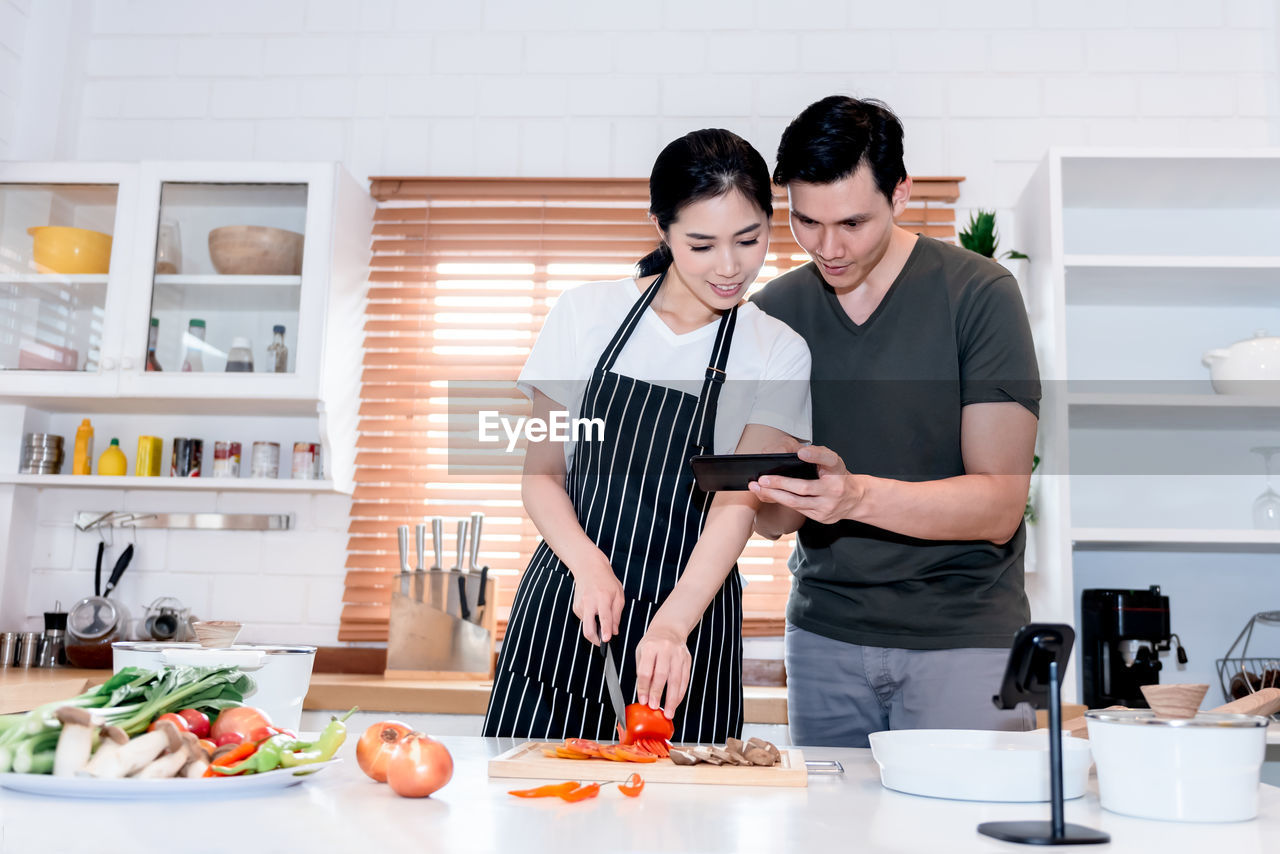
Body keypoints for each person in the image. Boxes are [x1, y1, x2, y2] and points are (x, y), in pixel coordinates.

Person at [483, 129, 813, 743]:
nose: (730, 266)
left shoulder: (777, 350)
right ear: (660, 229)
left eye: (749, 239)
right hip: (570, 603)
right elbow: (542, 475)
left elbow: (737, 502)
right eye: (701, 244)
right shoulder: (584, 315)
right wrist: (587, 564)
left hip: (692, 623)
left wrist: (670, 626)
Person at [748, 96, 1041, 748]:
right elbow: (770, 522)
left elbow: (998, 503)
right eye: (806, 222)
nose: (829, 247)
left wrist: (852, 495)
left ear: (901, 193)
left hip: (964, 640)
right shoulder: (773, 312)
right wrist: (777, 491)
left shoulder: (979, 294)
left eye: (852, 222)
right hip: (823, 641)